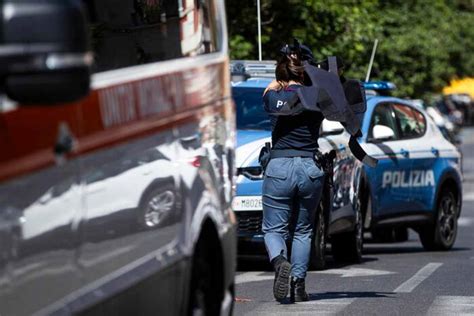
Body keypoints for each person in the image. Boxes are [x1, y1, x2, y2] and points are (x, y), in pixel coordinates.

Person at [261, 41, 377, 303]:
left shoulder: (271, 94)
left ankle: (280, 262)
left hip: (279, 166)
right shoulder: (318, 97)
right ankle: (299, 287)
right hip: (311, 168)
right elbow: (340, 102)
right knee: (303, 230)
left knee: (273, 229)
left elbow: (272, 94)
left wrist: (280, 81)